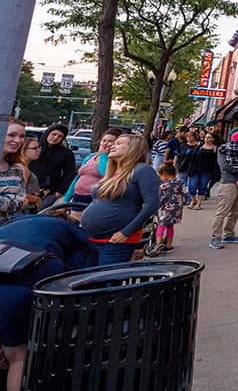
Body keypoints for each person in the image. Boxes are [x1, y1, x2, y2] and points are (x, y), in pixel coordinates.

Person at [0, 213, 96, 390]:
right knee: (18, 356)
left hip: (13, 285)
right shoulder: (76, 234)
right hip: (18, 289)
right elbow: (76, 278)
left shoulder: (8, 227)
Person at [80, 133, 161, 264]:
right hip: (91, 239)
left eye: (119, 143)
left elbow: (152, 204)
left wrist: (126, 232)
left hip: (115, 241)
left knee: (105, 281)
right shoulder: (112, 173)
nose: (112, 145)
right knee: (87, 281)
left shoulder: (142, 170)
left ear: (133, 148)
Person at [211, 127, 238, 250]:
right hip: (228, 183)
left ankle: (228, 233)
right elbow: (225, 166)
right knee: (222, 211)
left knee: (236, 210)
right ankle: (215, 237)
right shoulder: (224, 149)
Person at [64, 128, 121, 211]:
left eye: (110, 141)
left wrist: (103, 155)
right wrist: (67, 198)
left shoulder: (113, 160)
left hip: (93, 197)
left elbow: (104, 173)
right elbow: (79, 176)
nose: (106, 143)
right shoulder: (91, 156)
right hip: (78, 195)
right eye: (104, 140)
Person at [147, 162, 186, 256]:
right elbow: (185, 193)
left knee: (161, 225)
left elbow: (161, 199)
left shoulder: (163, 186)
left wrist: (156, 206)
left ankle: (158, 243)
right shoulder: (180, 182)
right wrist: (183, 202)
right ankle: (169, 245)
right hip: (177, 208)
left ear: (165, 175)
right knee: (170, 226)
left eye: (160, 176)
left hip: (167, 208)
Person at [29, 123, 76, 198]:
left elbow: (69, 173)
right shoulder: (34, 148)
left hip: (50, 192)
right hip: (27, 189)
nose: (55, 137)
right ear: (48, 133)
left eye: (60, 136)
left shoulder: (66, 153)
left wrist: (60, 191)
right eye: (53, 134)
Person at [0, 119, 28, 223]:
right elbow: (17, 201)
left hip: (6, 230)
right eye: (12, 135)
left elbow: (22, 203)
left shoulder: (18, 169)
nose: (18, 140)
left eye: (22, 136)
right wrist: (11, 199)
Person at [187, 132, 221, 207]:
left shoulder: (215, 148)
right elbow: (192, 156)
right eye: (206, 137)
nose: (206, 139)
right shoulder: (199, 146)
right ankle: (193, 200)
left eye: (209, 137)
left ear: (213, 139)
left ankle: (199, 204)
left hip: (207, 171)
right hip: (195, 170)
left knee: (203, 186)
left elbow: (216, 161)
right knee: (191, 187)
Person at [21, 136, 43, 212]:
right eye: (34, 148)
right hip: (25, 209)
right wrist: (36, 199)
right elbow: (19, 192)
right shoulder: (24, 169)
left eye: (39, 148)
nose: (39, 150)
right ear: (23, 149)